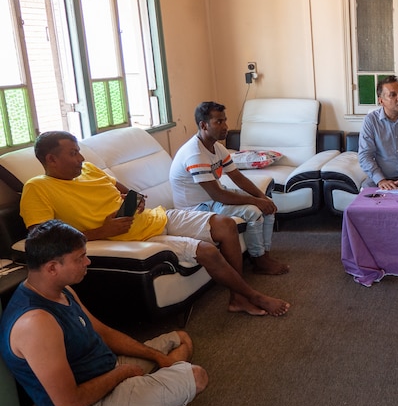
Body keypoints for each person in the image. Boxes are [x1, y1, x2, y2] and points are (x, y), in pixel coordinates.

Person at [20, 131, 289, 317]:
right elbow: (41, 239)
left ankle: (237, 297)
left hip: (157, 217)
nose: (80, 158)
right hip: (130, 238)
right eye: (72, 154)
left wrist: (135, 201)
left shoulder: (89, 170)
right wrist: (101, 232)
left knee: (226, 225)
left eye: (79, 152)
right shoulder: (38, 188)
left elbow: (129, 193)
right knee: (207, 250)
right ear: (51, 159)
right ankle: (251, 296)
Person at [0, 220, 209, 406]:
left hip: (108, 369)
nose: (87, 262)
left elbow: (104, 333)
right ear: (52, 267)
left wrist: (157, 357)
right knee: (197, 377)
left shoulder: (63, 290)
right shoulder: (36, 323)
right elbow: (70, 404)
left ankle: (147, 402)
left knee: (179, 338)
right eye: (79, 258)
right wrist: (122, 374)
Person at [170, 101, 289, 275]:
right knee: (253, 211)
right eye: (219, 122)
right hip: (195, 208)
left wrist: (261, 197)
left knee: (267, 205)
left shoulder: (217, 147)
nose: (225, 126)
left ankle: (265, 255)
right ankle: (259, 260)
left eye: (225, 120)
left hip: (213, 198)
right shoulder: (194, 154)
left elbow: (238, 177)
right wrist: (255, 201)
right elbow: (218, 195)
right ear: (203, 125)